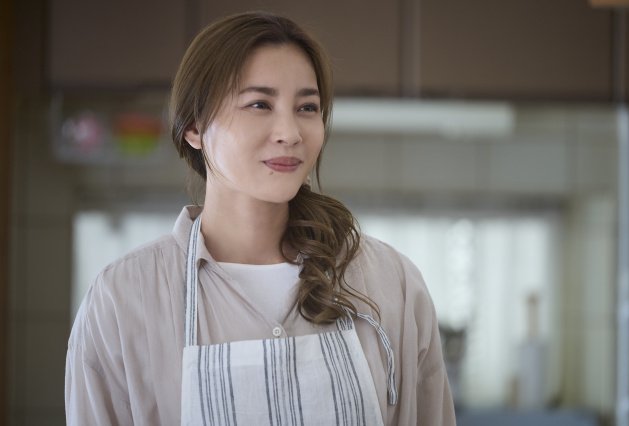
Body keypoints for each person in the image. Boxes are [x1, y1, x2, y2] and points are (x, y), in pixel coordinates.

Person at [65, 11, 456, 426]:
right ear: (194, 126)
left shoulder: (391, 283)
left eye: (307, 107)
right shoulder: (124, 299)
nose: (290, 132)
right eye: (259, 104)